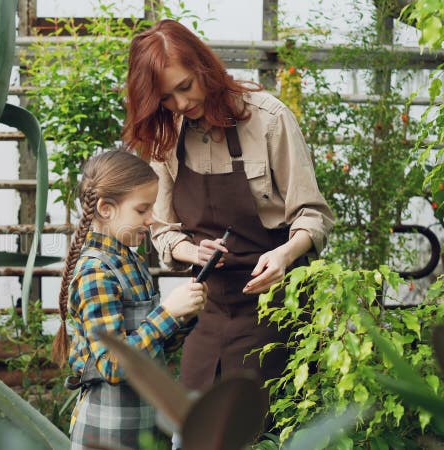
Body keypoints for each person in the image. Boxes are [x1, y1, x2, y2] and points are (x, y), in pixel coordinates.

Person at [121, 20, 334, 394]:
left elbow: (312, 214)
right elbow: (162, 228)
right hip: (210, 312)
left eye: (185, 87)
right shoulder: (167, 133)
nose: (182, 104)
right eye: (167, 98)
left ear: (204, 67)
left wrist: (285, 254)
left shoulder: (268, 119)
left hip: (276, 311)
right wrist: (192, 250)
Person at [51, 150, 207, 450]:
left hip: (145, 427)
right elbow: (112, 365)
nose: (152, 219)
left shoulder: (131, 262)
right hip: (108, 433)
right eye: (142, 210)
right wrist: (168, 314)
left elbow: (154, 348)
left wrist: (184, 317)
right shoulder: (96, 271)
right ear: (106, 209)